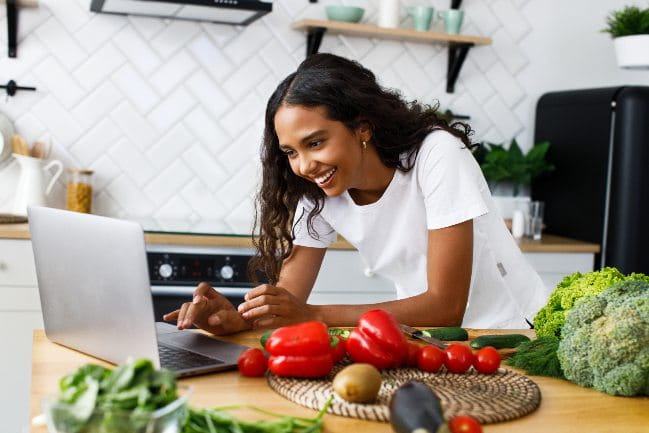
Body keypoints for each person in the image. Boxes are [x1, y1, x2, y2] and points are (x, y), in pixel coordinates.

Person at [163, 53, 547, 335]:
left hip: (511, 332)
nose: (304, 165)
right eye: (291, 152)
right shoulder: (318, 192)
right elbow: (288, 302)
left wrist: (315, 315)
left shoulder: (437, 154)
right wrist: (234, 319)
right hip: (430, 337)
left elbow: (445, 306)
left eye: (315, 142)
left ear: (362, 127)